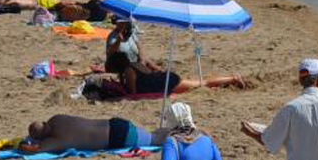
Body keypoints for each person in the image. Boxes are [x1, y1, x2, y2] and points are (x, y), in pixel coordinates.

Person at [104, 52, 244, 95]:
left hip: (166, 83)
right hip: (165, 78)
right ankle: (228, 80)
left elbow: (133, 93)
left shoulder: (129, 70)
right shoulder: (135, 64)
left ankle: (232, 79)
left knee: (203, 83)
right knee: (200, 82)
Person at [19, 114, 169, 153]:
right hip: (115, 123)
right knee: (154, 136)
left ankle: (180, 135)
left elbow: (34, 150)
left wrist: (23, 145)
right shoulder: (57, 119)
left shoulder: (56, 140)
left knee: (158, 141)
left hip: (117, 137)